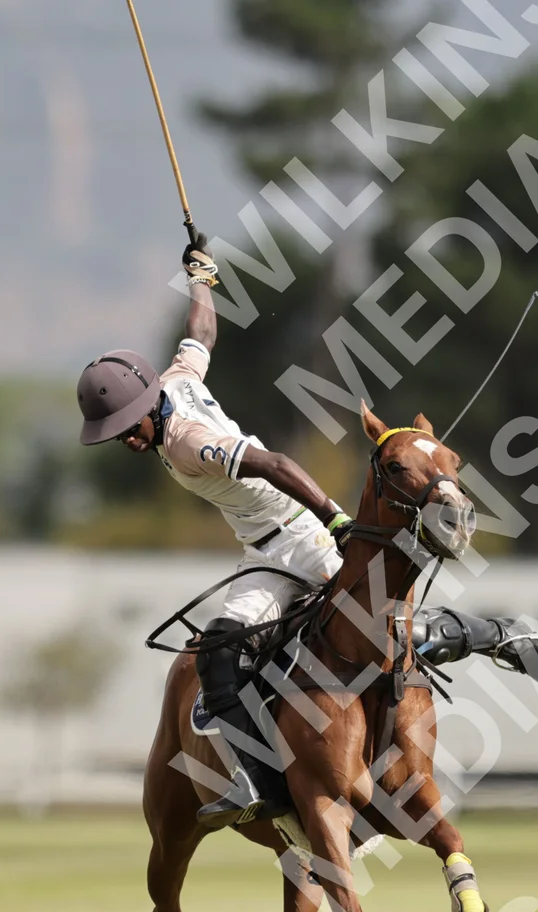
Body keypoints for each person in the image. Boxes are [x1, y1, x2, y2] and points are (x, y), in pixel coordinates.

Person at [77, 243, 360, 828]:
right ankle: (257, 778)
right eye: (115, 434)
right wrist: (200, 278)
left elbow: (275, 463)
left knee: (376, 629)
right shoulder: (175, 379)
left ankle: (489, 636)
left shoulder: (186, 441)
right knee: (217, 651)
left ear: (148, 405)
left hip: (305, 537)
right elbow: (200, 333)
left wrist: (335, 519)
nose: (126, 440)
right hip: (264, 551)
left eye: (127, 427)